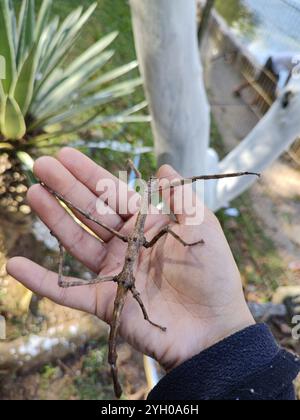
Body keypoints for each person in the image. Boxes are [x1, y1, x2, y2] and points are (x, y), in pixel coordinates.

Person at [6, 148, 300, 400]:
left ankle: (115, 375)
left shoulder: (145, 233)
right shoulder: (141, 237)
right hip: (123, 281)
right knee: (66, 284)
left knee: (65, 282)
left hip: (126, 280)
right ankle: (114, 370)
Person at [234, 52, 299, 103]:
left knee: (263, 83)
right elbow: (290, 76)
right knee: (267, 86)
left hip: (273, 62)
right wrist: (285, 88)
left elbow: (290, 74)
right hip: (273, 64)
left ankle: (252, 100)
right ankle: (241, 91)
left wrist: (285, 87)